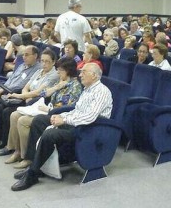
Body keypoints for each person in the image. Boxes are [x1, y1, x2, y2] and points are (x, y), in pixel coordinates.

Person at [10, 63, 113, 191]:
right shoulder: (88, 89)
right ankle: (35, 163)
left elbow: (89, 118)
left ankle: (33, 174)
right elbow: (77, 111)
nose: (80, 75)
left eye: (83, 72)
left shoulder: (101, 92)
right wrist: (60, 116)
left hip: (88, 130)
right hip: (77, 124)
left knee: (50, 134)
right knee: (39, 121)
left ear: (94, 75)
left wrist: (63, 119)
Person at [5, 58, 82, 168]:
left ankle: (28, 157)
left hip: (56, 114)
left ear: (68, 70)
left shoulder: (75, 87)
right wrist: (57, 86)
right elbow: (44, 94)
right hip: (47, 108)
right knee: (14, 115)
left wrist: (49, 110)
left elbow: (67, 107)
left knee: (23, 121)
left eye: (60, 70)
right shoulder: (60, 81)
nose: (58, 72)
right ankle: (17, 151)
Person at [0, 46, 42, 141]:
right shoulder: (22, 65)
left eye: (27, 55)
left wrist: (4, 90)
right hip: (5, 90)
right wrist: (1, 87)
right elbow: (11, 78)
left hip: (15, 93)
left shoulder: (37, 69)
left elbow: (22, 85)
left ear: (35, 56)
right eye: (23, 55)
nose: (24, 57)